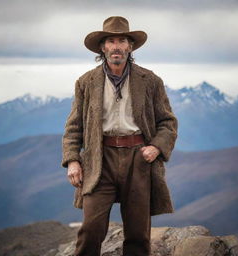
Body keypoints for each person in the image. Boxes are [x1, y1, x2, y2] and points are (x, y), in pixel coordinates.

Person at [61, 16, 178, 256]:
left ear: (130, 46)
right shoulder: (86, 82)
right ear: (102, 48)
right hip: (98, 159)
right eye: (111, 41)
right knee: (91, 229)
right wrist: (73, 160)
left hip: (139, 159)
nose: (116, 46)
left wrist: (156, 147)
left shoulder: (151, 81)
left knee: (137, 234)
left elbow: (168, 122)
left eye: (122, 40)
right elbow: (74, 127)